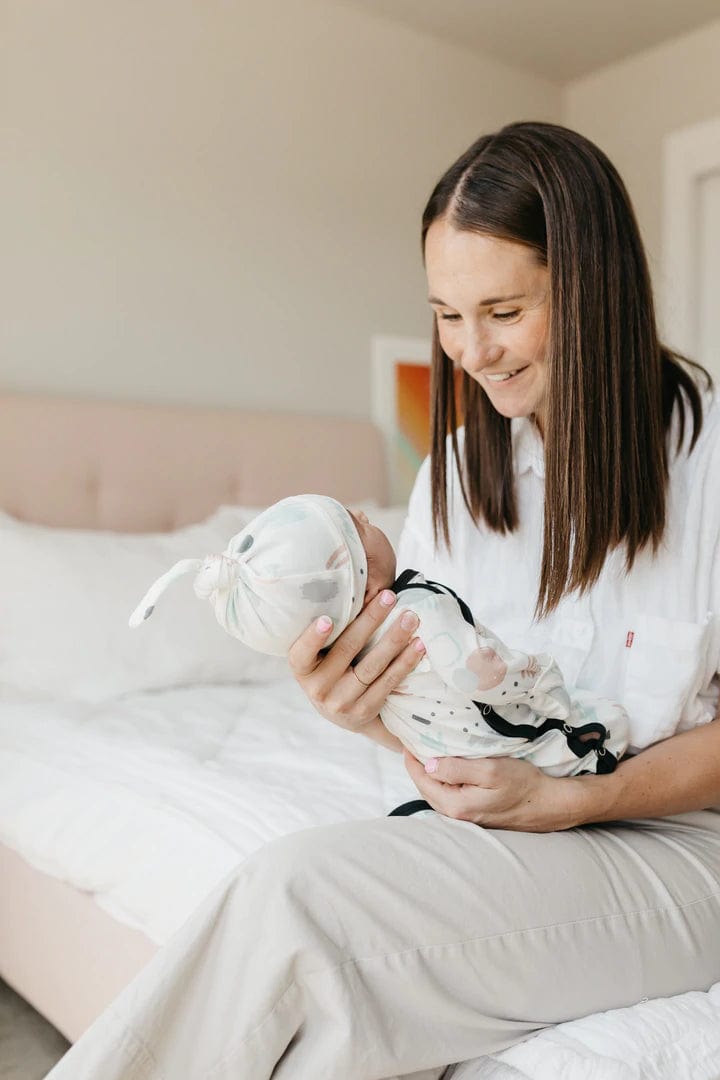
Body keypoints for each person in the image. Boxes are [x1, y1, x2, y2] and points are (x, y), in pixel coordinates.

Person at [47, 121, 720, 1080]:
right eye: (447, 314)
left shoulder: (709, 459)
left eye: (502, 309)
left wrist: (581, 799)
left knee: (296, 897)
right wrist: (365, 712)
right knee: (330, 1031)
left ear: (592, 286)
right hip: (513, 837)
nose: (473, 351)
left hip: (681, 853)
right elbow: (453, 717)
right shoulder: (455, 473)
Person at [130, 492, 629, 776]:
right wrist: (539, 677)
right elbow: (478, 672)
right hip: (498, 744)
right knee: (587, 728)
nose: (368, 516)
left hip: (448, 763)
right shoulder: (417, 610)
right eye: (358, 523)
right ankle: (594, 748)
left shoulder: (359, 652)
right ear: (360, 570)